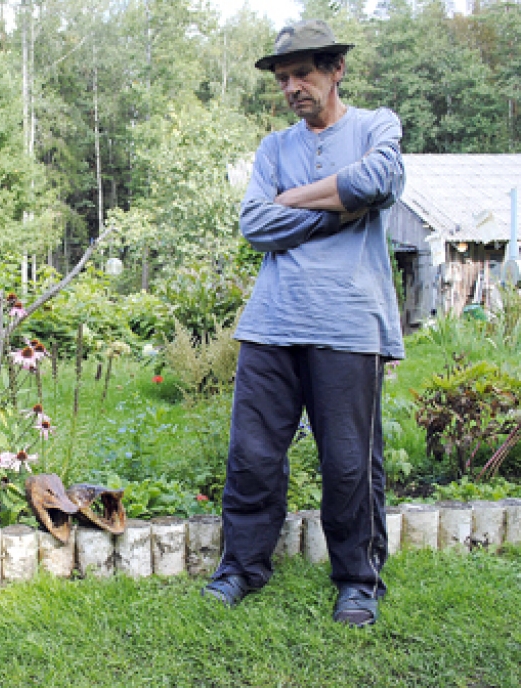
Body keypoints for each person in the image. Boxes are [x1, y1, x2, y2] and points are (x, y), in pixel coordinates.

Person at [201, 19, 405, 628]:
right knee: (252, 456)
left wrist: (292, 198)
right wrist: (338, 211)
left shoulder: (376, 126)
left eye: (304, 73)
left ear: (336, 69)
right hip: (272, 323)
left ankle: (358, 581)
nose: (293, 87)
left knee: (350, 462)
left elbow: (379, 180)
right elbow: (255, 225)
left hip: (350, 324)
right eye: (284, 78)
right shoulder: (273, 148)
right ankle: (241, 568)